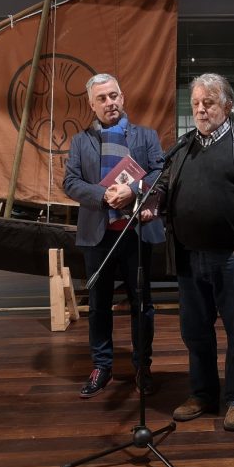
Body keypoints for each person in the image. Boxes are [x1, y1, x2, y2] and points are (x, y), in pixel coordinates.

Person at [158, 73, 234, 432]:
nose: (200, 109)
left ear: (228, 106)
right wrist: (151, 203)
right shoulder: (182, 146)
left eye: (208, 103)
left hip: (232, 258)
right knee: (195, 332)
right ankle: (203, 393)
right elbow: (163, 188)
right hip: (188, 256)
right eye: (195, 103)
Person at [63, 73, 165, 398]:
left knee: (142, 305)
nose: (110, 103)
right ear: (92, 104)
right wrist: (104, 195)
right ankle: (102, 366)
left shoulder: (146, 137)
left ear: (122, 97)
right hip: (99, 235)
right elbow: (70, 182)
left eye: (114, 96)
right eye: (102, 98)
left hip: (136, 233)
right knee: (98, 306)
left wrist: (134, 190)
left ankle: (142, 366)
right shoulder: (81, 141)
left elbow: (162, 174)